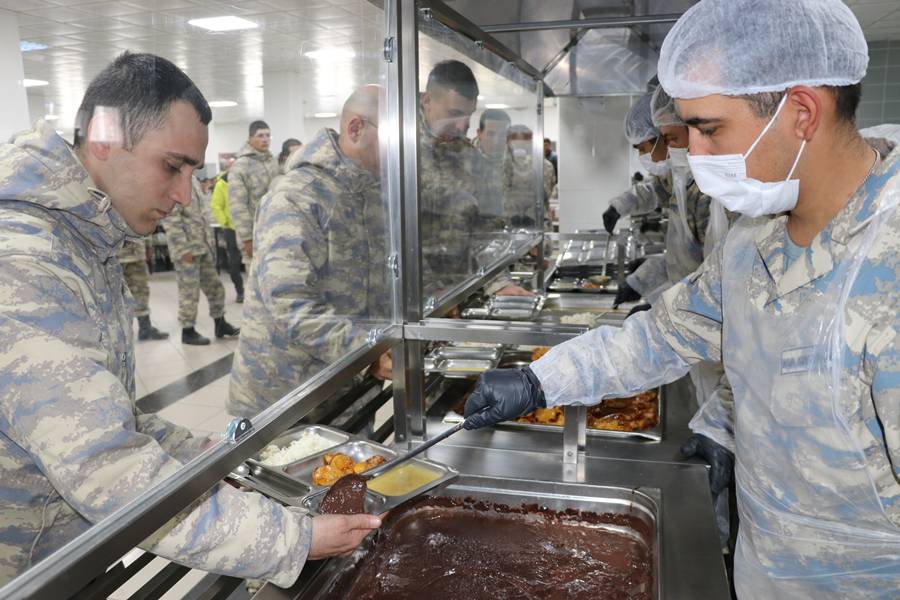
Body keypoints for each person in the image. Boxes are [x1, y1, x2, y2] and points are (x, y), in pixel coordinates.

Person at [464, 1, 900, 596]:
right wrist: (543, 381)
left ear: (801, 112)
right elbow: (663, 335)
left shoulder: (888, 262)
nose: (692, 153)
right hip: (765, 569)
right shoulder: (757, 236)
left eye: (709, 128)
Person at [0, 52, 380, 588]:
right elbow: (106, 467)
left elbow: (105, 410)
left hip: (63, 554)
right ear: (105, 139)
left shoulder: (86, 237)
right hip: (24, 570)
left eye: (192, 173)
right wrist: (294, 538)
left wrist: (209, 457)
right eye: (172, 166)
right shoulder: (25, 259)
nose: (183, 196)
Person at [228, 85, 392, 418]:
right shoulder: (297, 196)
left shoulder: (373, 191)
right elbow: (291, 304)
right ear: (356, 128)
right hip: (287, 397)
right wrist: (368, 352)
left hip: (349, 385)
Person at [418, 60, 531, 299]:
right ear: (427, 100)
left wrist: (499, 283)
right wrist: (430, 291)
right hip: (412, 302)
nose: (463, 126)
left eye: (469, 115)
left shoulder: (470, 158)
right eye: (454, 114)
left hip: (460, 294)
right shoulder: (395, 152)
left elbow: (487, 232)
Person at [164, 177, 240, 345]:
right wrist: (183, 249)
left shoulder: (193, 180)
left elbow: (200, 214)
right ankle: (188, 331)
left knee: (215, 287)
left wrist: (209, 245)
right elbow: (171, 219)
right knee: (189, 292)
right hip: (187, 249)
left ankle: (220, 324)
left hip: (202, 245)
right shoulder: (173, 182)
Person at [228, 120, 278, 262]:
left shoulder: (272, 161)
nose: (265, 139)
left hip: (275, 229)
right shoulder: (241, 165)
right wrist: (247, 238)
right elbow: (237, 205)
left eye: (268, 135)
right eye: (260, 135)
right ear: (250, 138)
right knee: (256, 281)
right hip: (255, 233)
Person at [504, 124, 556, 228]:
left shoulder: (544, 166)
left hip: (535, 224)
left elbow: (545, 195)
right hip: (507, 225)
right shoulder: (500, 166)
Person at [117, 238, 169, 340]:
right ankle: (143, 328)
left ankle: (139, 329)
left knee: (119, 295)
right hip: (131, 253)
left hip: (115, 253)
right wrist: (148, 246)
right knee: (140, 291)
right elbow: (144, 223)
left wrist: (148, 247)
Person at [210, 160, 245, 303]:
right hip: (231, 229)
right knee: (234, 263)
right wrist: (225, 222)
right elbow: (216, 205)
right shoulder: (221, 184)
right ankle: (240, 291)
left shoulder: (244, 180)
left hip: (248, 226)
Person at [472, 108, 511, 221]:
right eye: (491, 134)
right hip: (477, 234)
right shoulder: (466, 163)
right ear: (479, 133)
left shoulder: (519, 166)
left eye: (502, 135)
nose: (496, 141)